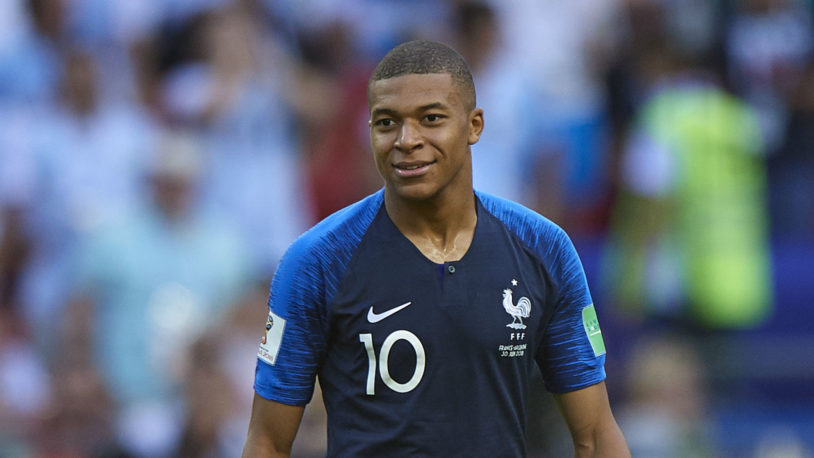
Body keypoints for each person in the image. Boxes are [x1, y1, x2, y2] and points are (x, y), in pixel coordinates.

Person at [243, 40, 629, 457]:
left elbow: (595, 435)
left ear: (474, 126)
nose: (407, 139)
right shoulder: (318, 261)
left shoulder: (543, 249)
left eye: (430, 119)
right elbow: (267, 442)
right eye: (386, 122)